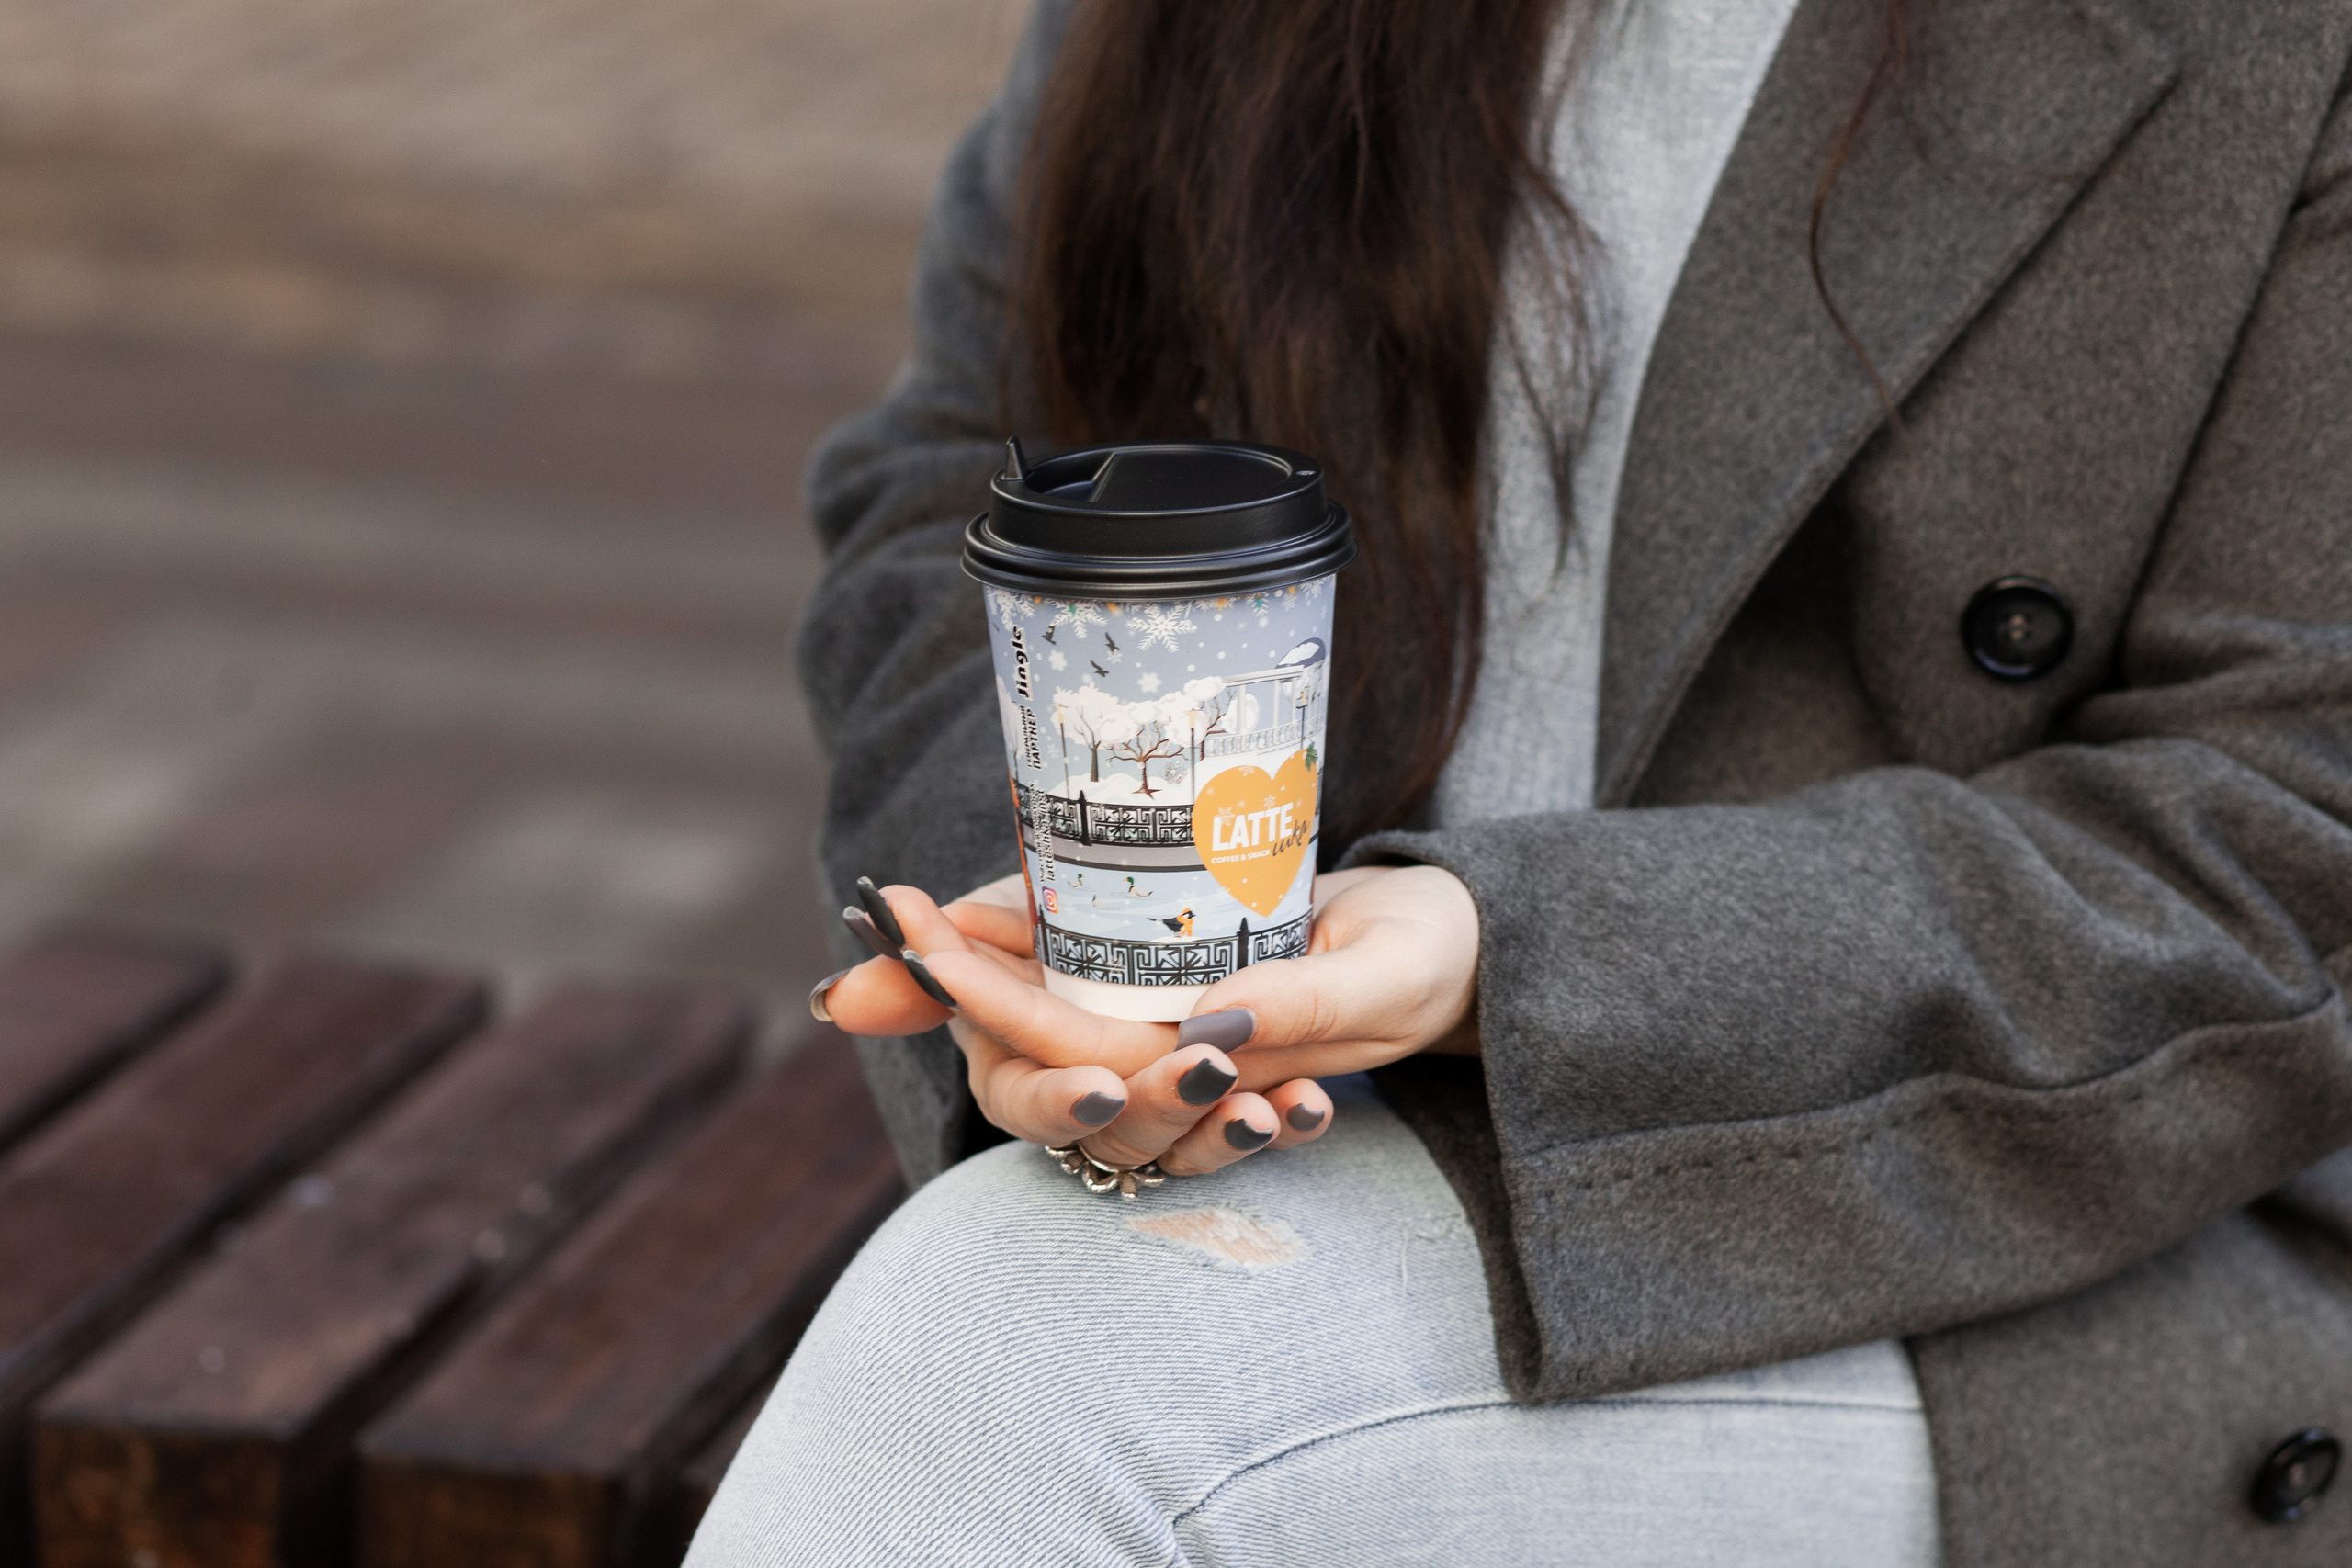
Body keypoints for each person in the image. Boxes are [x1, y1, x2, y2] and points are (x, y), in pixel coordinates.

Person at [689, 0, 2352, 1561]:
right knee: (1017, 1336)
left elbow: (2290, 828)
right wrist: (1069, 951)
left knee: (1035, 1371)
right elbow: (977, 480)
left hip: (2068, 1249)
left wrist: (1511, 957)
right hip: (1317, 1124)